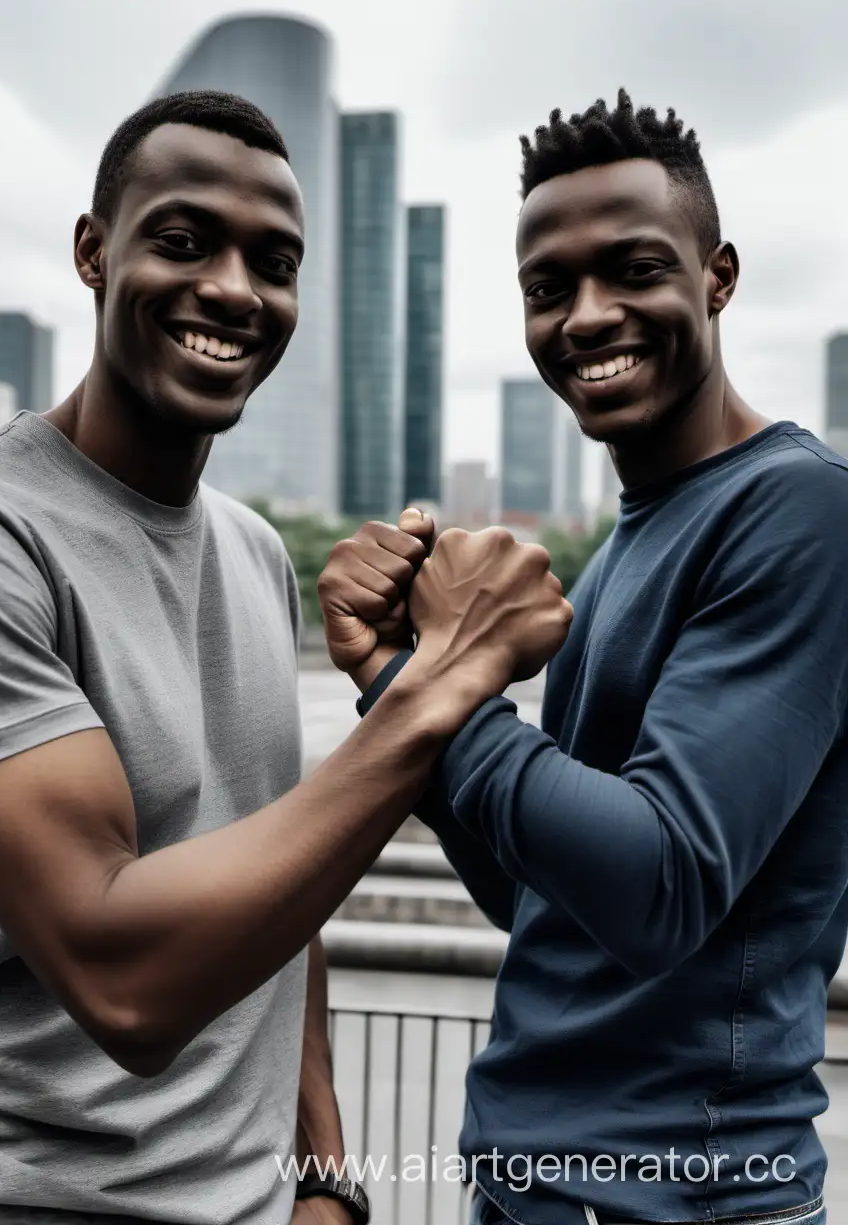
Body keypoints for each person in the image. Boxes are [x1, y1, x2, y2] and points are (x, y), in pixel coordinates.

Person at [0, 91, 572, 1225]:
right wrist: (439, 687)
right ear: (92, 251)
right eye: (182, 241)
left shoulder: (252, 548)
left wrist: (324, 1171)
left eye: (274, 262)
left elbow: (279, 885)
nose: (232, 287)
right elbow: (120, 977)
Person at [321, 90, 848, 1225]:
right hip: (537, 1181)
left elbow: (658, 883)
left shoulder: (798, 513)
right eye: (547, 288)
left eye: (634, 269)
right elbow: (539, 896)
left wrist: (445, 688)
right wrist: (391, 680)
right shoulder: (629, 539)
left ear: (718, 276)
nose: (587, 315)